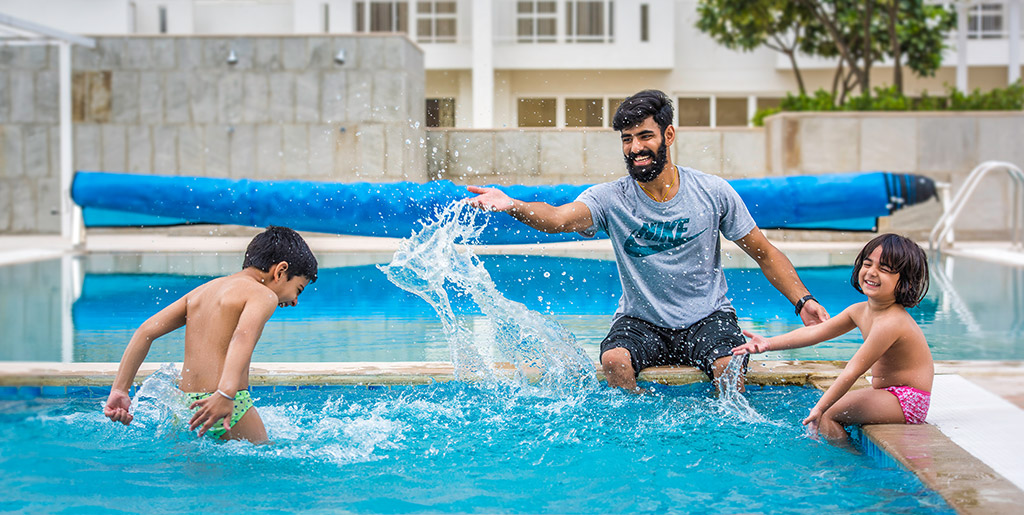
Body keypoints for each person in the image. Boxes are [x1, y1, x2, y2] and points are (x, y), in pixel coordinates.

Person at [466, 89, 829, 392]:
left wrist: (803, 301)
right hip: (642, 321)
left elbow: (764, 253)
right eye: (627, 139)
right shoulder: (610, 198)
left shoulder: (712, 191)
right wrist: (512, 205)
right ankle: (636, 431)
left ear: (668, 136)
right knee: (613, 361)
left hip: (707, 317)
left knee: (728, 364)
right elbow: (559, 219)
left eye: (644, 136)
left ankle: (731, 430)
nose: (635, 148)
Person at [102, 226, 318, 443]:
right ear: (280, 271)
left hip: (186, 406)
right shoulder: (263, 295)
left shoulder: (202, 291)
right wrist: (225, 394)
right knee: (266, 463)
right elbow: (242, 337)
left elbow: (145, 331)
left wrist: (120, 389)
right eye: (298, 289)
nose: (295, 301)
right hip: (227, 402)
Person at [732, 233, 933, 446]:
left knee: (828, 414)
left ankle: (846, 466)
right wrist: (769, 343)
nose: (872, 273)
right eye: (867, 264)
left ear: (906, 283)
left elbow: (853, 370)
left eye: (884, 269)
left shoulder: (891, 322)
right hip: (889, 394)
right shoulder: (860, 310)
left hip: (907, 400)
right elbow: (816, 332)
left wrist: (819, 408)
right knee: (833, 410)